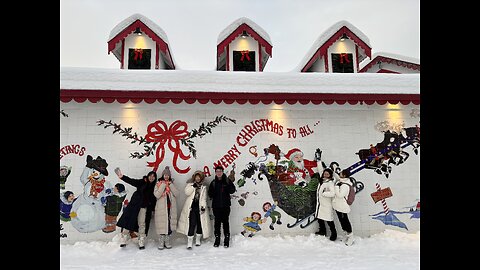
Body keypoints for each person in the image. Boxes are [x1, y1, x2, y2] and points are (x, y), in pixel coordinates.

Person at [115, 168, 157, 249]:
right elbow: (131, 181)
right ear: (148, 176)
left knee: (142, 223)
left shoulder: (154, 188)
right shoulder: (142, 182)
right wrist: (122, 177)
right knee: (129, 221)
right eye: (150, 176)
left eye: (153, 176)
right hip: (134, 205)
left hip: (144, 208)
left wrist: (153, 210)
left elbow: (154, 200)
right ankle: (123, 238)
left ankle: (141, 240)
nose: (151, 177)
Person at [177, 170, 211, 249]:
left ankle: (198, 239)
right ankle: (190, 241)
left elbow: (204, 198)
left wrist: (203, 207)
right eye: (196, 177)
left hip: (199, 207)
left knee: (200, 223)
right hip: (191, 207)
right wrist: (193, 187)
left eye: (199, 177)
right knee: (191, 224)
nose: (198, 178)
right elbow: (187, 192)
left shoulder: (203, 186)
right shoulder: (190, 184)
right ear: (194, 177)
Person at [208, 165, 236, 248]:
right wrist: (212, 194)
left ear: (222, 172)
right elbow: (210, 194)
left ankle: (227, 238)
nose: (219, 173)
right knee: (217, 223)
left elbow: (232, 190)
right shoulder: (213, 182)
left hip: (225, 205)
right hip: (216, 206)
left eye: (220, 171)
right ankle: (217, 238)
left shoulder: (227, 181)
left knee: (225, 222)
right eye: (217, 172)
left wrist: (228, 186)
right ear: (216, 173)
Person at [153, 166, 179, 250]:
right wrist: (163, 185)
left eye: (168, 175)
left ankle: (167, 240)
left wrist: (170, 185)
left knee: (169, 225)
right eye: (165, 175)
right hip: (161, 209)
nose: (166, 176)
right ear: (162, 175)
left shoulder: (172, 184)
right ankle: (161, 241)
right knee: (162, 224)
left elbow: (177, 194)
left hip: (170, 208)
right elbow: (157, 195)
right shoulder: (158, 184)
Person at [332, 169, 355, 245]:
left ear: (344, 175)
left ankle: (351, 237)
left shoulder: (345, 185)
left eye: (341, 173)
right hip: (338, 205)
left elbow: (340, 195)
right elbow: (337, 177)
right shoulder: (341, 181)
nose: (339, 173)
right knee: (342, 221)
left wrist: (336, 187)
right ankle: (346, 235)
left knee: (345, 222)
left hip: (342, 206)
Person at [314, 168, 337, 241]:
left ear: (330, 175)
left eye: (327, 174)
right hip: (321, 204)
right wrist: (318, 161)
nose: (326, 175)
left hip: (326, 204)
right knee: (320, 218)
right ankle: (322, 231)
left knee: (329, 220)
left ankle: (334, 234)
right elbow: (320, 168)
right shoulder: (322, 181)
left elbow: (332, 193)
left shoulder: (330, 183)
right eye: (325, 173)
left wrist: (324, 193)